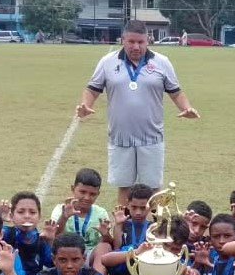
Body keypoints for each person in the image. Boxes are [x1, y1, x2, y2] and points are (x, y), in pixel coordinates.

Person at [75, 19, 201, 207]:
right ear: (123, 40)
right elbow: (92, 89)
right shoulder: (108, 62)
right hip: (120, 137)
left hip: (151, 137)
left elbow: (176, 92)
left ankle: (156, 231)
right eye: (131, 42)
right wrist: (85, 105)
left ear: (147, 41)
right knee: (124, 187)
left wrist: (186, 108)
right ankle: (123, 231)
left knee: (153, 188)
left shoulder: (162, 62)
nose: (136, 46)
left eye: (141, 42)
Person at [49, 168, 113, 256]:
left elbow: (109, 244)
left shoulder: (101, 213)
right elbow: (54, 239)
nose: (87, 197)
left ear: (98, 194)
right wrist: (64, 218)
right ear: (73, 189)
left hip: (90, 255)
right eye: (82, 192)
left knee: (104, 247)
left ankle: (97, 271)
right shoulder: (60, 210)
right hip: (67, 255)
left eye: (92, 194)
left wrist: (105, 235)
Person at [0, 191, 55, 275]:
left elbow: (52, 264)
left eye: (32, 212)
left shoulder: (42, 239)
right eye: (21, 212)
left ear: (39, 217)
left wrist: (50, 241)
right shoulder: (5, 234)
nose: (27, 216)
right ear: (11, 216)